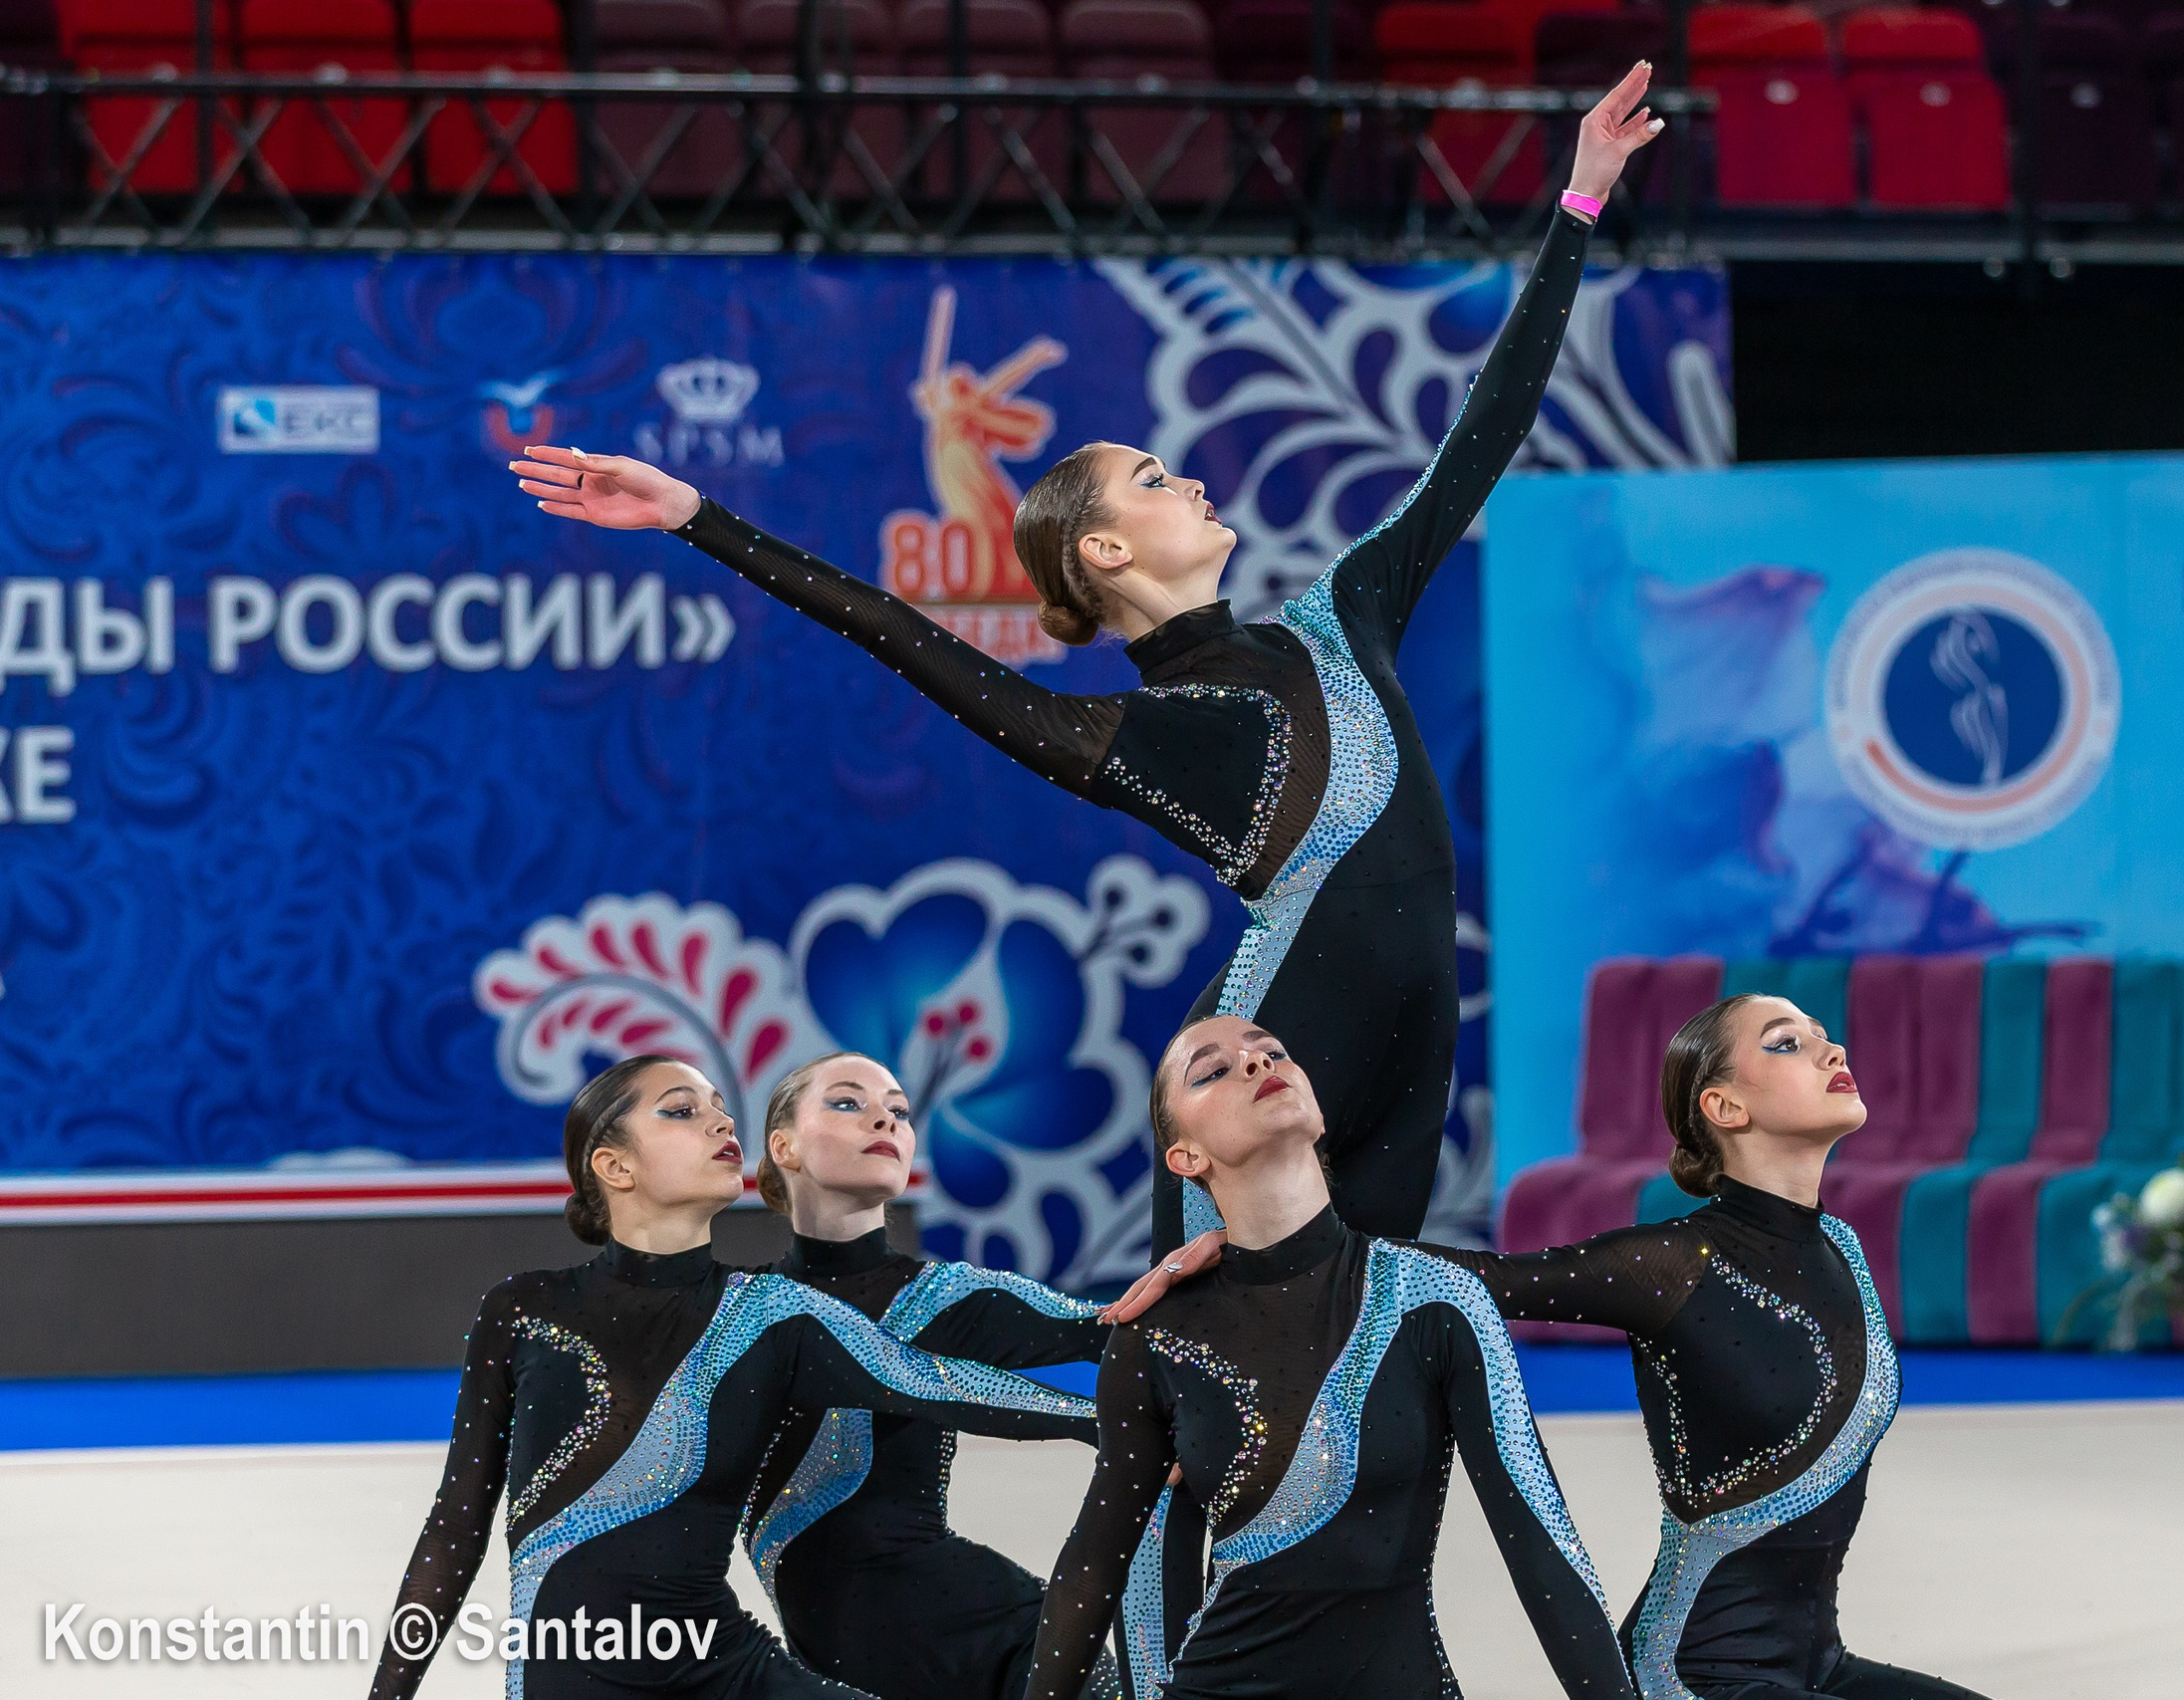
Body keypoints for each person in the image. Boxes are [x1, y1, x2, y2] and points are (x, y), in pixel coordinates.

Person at [507, 64, 1666, 1261]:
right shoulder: (1127, 737)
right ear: (1105, 548)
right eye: (1158, 480)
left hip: (1414, 1033)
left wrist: (1578, 201)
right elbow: (896, 629)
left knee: (1376, 1348)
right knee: (1224, 1356)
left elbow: (1485, 430)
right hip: (1270, 1045)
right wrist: (698, 515)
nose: (1195, 481)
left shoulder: (1344, 614)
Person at [1113, 996, 1989, 1700]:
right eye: (1790, 1042)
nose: (1832, 1050)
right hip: (1698, 1670)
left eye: (1825, 1035)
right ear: (1725, 1106)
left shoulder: (1844, 1250)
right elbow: (1478, 1277)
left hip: (1815, 1664)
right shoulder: (1671, 1265)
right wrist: (1255, 1247)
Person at [369, 1055, 1097, 1700]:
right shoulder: (524, 1308)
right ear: (614, 1165)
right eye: (683, 1111)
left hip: (723, 1665)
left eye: (721, 1107)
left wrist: (1106, 1426)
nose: (720, 1120)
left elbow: (927, 1380)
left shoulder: (770, 1313)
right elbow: (455, 1525)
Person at [1019, 1015, 1637, 1700]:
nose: (1255, 1063)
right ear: (1186, 1156)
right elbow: (1094, 1564)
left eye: (1272, 1051)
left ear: (1316, 1108)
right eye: (1213, 1070)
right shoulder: (1154, 1334)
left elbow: (1542, 1547)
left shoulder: (1436, 1301)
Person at [745, 1050, 1114, 1700]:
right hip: (835, 1671)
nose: (884, 1119)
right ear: (785, 1145)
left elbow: (1118, 1332)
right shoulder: (740, 1316)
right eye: (848, 1101)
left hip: (1008, 1645)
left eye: (899, 1111)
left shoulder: (949, 1297)